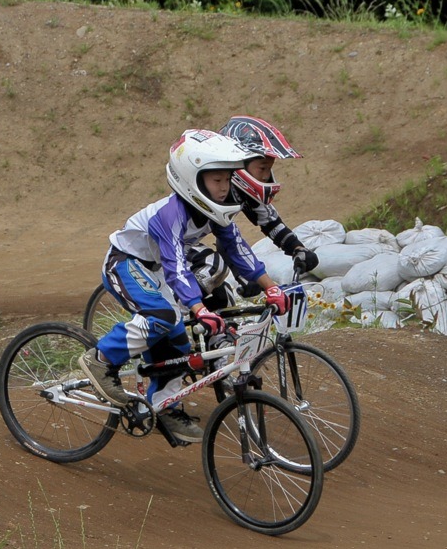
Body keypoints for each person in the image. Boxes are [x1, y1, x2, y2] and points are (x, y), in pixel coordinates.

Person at [78, 129, 290, 443]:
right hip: (125, 262)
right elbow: (177, 267)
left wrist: (270, 286)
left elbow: (236, 248)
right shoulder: (171, 214)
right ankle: (101, 360)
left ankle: (164, 405)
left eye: (227, 179)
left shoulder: (215, 210)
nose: (224, 188)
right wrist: (199, 308)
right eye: (216, 181)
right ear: (193, 179)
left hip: (156, 269)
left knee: (177, 340)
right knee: (162, 316)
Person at [189, 116, 319, 309]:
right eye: (263, 168)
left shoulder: (239, 191)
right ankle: (169, 318)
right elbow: (227, 241)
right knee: (214, 267)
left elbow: (270, 223)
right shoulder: (211, 188)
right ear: (240, 161)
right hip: (166, 248)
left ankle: (214, 338)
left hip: (185, 249)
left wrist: (297, 248)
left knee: (225, 298)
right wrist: (244, 274)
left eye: (269, 169)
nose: (266, 176)